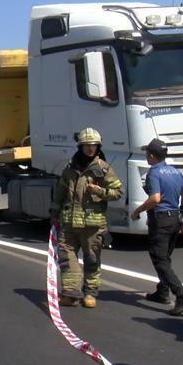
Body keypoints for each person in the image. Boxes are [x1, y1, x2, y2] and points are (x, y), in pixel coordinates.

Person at [50, 128, 123, 308]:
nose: (90, 149)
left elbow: (118, 192)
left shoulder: (103, 169)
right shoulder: (69, 168)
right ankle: (70, 293)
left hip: (93, 225)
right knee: (67, 258)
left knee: (92, 260)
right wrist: (54, 214)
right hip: (69, 223)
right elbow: (59, 193)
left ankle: (90, 294)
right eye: (87, 145)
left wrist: (100, 191)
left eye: (94, 145)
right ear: (80, 146)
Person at [131, 138, 183, 316]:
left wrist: (137, 211)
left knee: (160, 259)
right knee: (165, 257)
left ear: (151, 155)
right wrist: (182, 216)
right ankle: (162, 292)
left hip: (161, 220)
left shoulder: (154, 173)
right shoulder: (175, 171)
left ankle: (182, 296)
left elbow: (155, 198)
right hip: (174, 220)